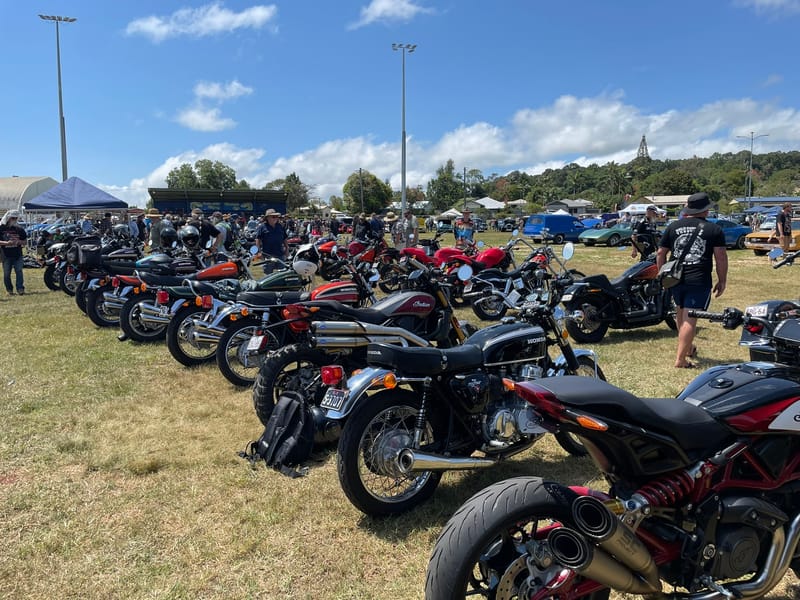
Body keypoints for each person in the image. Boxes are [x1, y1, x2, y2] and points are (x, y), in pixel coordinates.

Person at [657, 192, 727, 369]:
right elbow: (720, 257)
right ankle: (680, 360)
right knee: (690, 317)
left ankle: (688, 349)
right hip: (698, 278)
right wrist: (722, 280)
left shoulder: (673, 226)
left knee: (680, 312)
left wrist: (661, 273)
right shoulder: (714, 229)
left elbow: (660, 253)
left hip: (675, 278)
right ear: (705, 210)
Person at [0, 210, 28, 295]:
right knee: (6, 273)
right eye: (13, 218)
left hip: (18, 254)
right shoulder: (1, 228)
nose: (14, 220)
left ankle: (20, 289)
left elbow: (25, 241)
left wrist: (19, 242)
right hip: (6, 255)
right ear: (8, 218)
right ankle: (9, 290)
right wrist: (7, 243)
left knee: (19, 271)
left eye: (16, 218)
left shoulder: (19, 229)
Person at [255, 209, 288, 274]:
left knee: (283, 274)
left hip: (280, 254)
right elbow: (258, 240)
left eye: (276, 216)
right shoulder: (262, 227)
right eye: (273, 217)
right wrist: (259, 252)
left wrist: (287, 249)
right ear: (267, 218)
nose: (275, 218)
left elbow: (284, 238)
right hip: (267, 255)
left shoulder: (280, 226)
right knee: (268, 275)